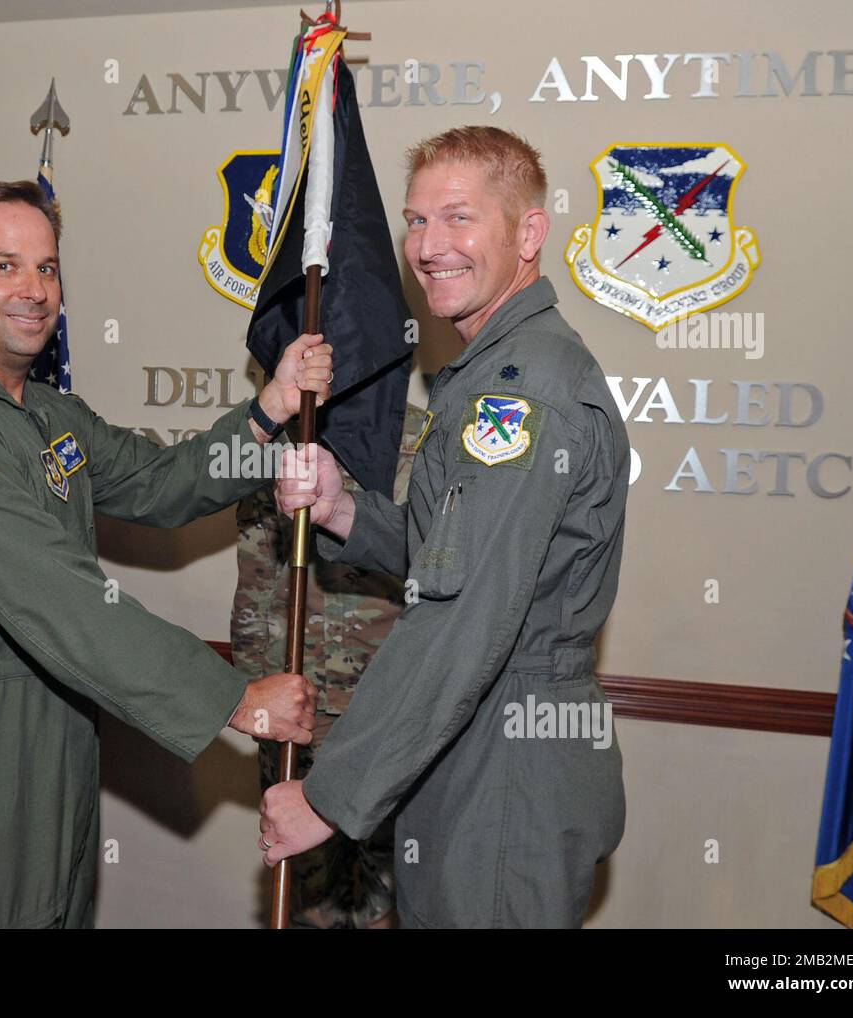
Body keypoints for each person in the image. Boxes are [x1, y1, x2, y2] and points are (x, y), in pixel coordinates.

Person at [0, 179, 332, 928]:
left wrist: (269, 409)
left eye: (47, 267)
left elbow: (160, 483)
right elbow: (61, 597)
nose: (35, 290)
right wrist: (233, 698)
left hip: (63, 725)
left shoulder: (44, 412)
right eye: (5, 265)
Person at [259, 127, 630, 928]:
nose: (429, 247)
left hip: (506, 767)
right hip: (482, 750)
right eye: (416, 221)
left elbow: (465, 616)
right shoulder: (492, 368)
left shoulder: (521, 392)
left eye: (458, 219)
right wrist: (341, 511)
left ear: (529, 234)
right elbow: (454, 557)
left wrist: (330, 798)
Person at [232, 401, 429, 929]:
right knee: (304, 891)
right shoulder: (276, 447)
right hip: (296, 711)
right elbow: (257, 578)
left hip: (385, 718)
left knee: (390, 893)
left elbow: (434, 573)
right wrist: (257, 698)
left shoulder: (417, 437)